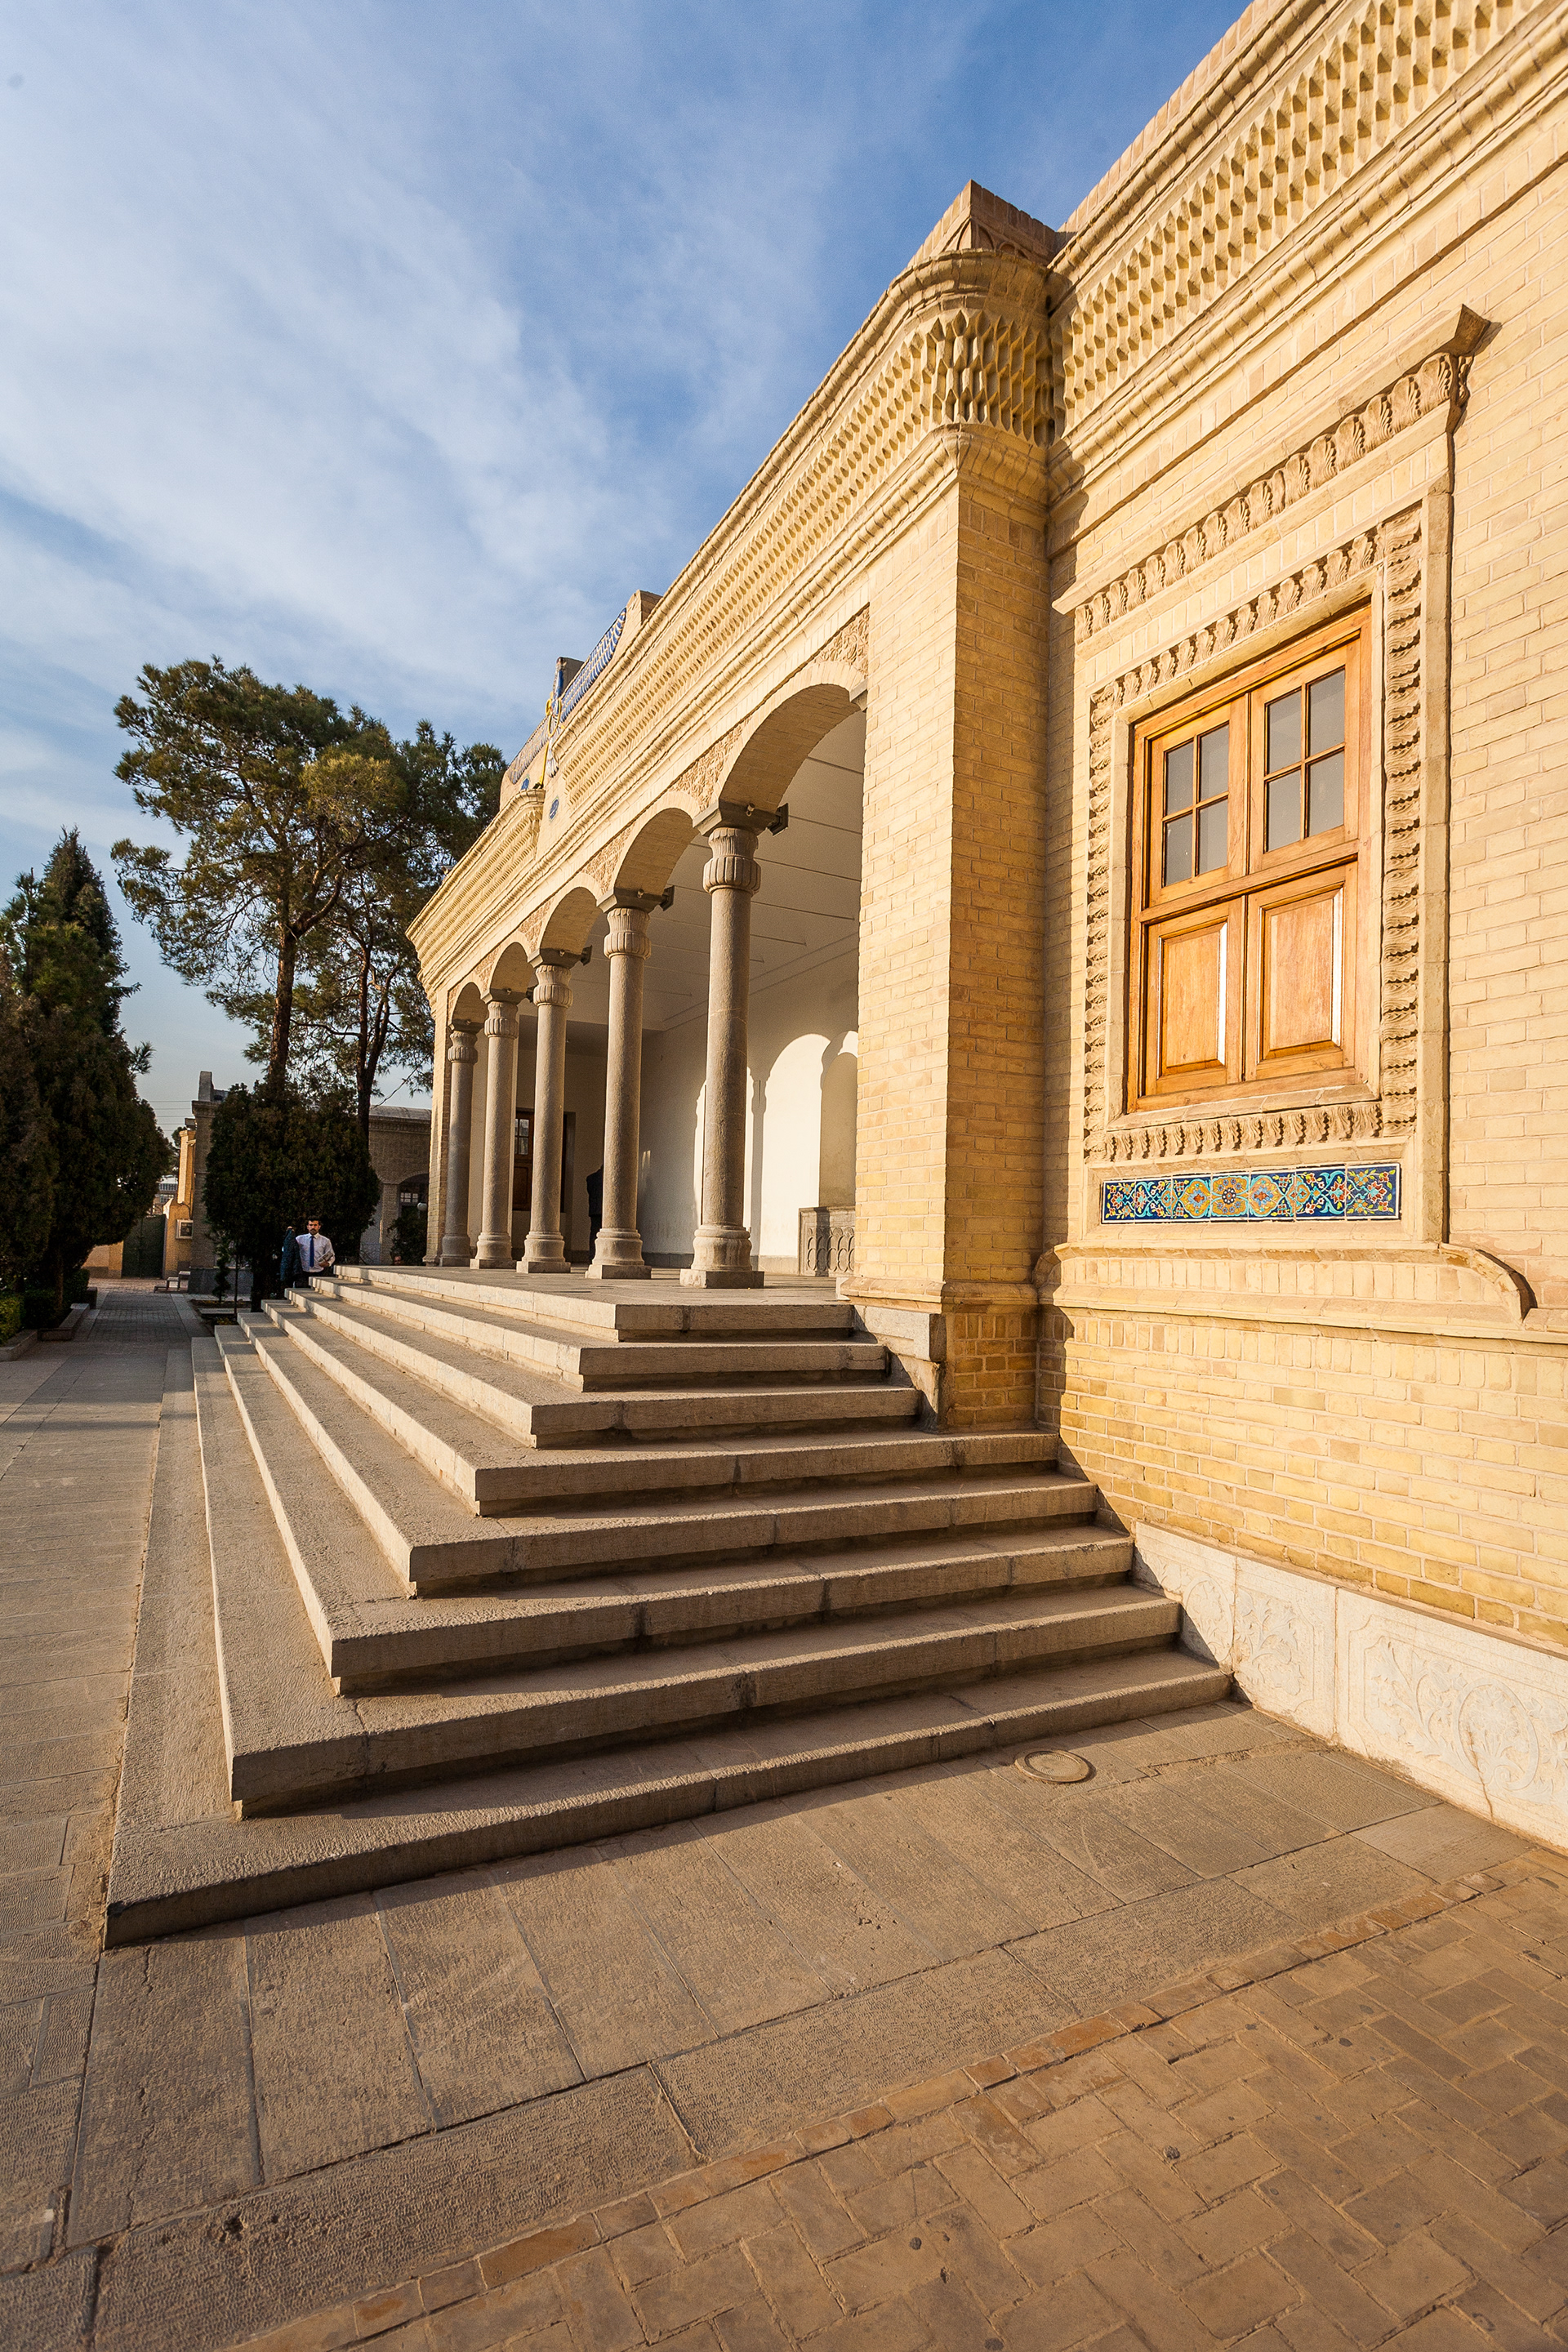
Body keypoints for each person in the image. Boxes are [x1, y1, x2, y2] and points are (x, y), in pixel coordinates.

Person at [294, 1216, 336, 1281]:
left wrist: (328, 1263)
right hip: (303, 1272)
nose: (313, 1227)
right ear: (307, 1227)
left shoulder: (325, 1241)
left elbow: (331, 1255)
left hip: (319, 1272)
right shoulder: (300, 1239)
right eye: (311, 1225)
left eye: (315, 1225)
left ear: (319, 1227)